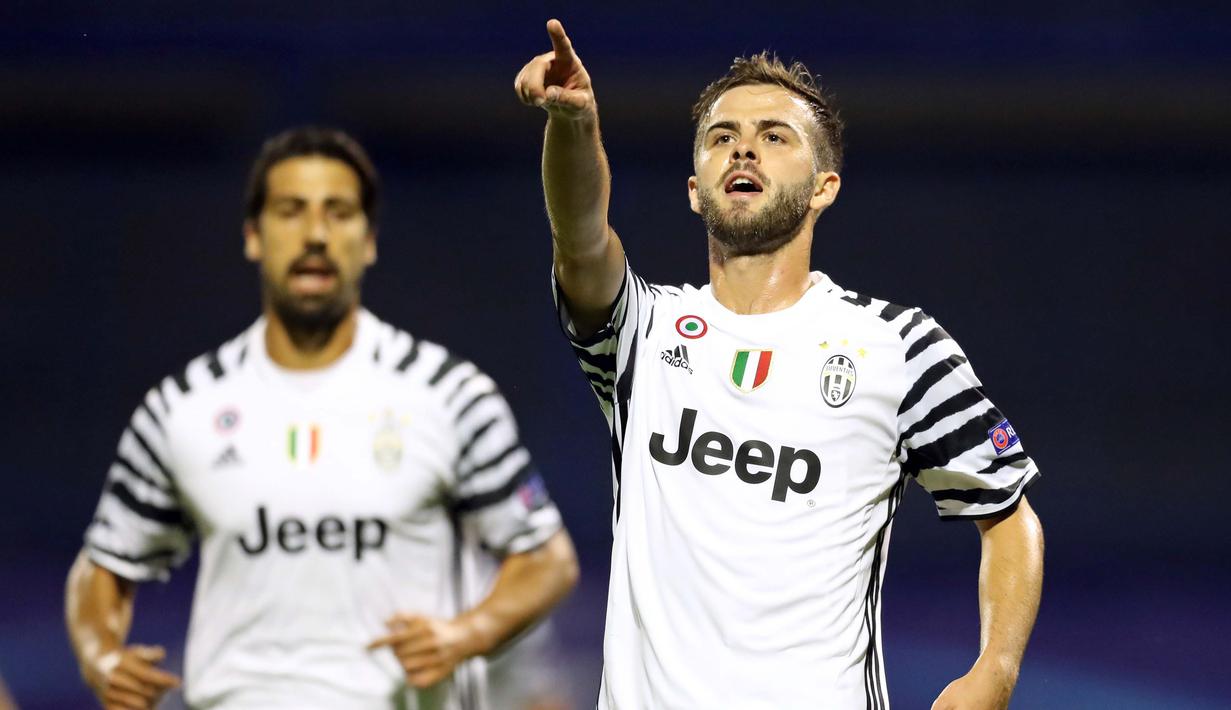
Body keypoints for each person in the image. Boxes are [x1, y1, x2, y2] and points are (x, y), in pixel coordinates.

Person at [515, 19, 1044, 710]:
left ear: (823, 186)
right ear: (694, 189)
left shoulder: (897, 345)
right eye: (721, 136)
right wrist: (573, 123)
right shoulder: (642, 331)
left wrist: (993, 671)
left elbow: (1006, 514)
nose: (743, 148)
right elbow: (581, 238)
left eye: (774, 136)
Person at [65, 127, 579, 710]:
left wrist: (467, 634)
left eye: (338, 213)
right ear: (254, 236)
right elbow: (104, 562)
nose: (315, 235)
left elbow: (546, 558)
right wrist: (100, 655)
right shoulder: (183, 406)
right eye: (290, 212)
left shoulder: (447, 394)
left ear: (369, 241)